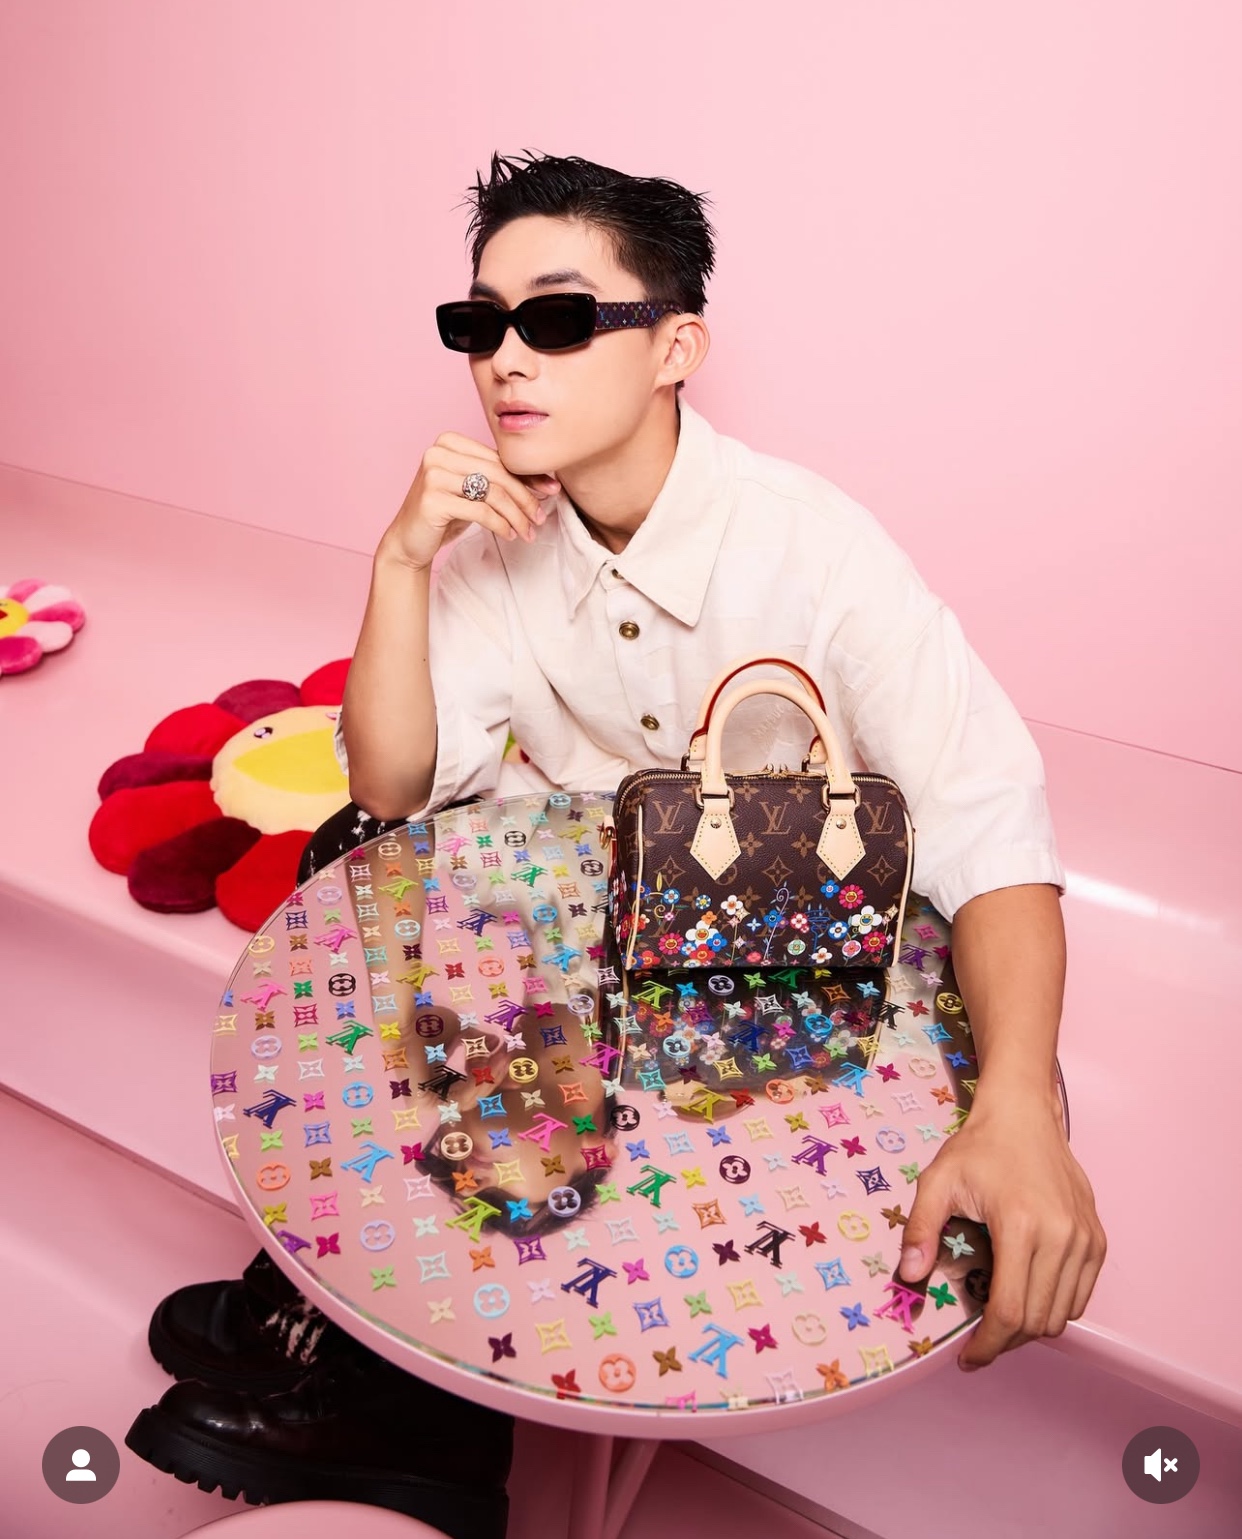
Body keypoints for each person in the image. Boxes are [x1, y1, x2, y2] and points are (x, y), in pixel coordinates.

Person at [127, 151, 1106, 1526]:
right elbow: (395, 785)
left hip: (778, 958)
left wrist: (1016, 1112)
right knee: (350, 845)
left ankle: (396, 1398)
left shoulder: (814, 547)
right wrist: (399, 561)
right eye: (479, 324)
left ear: (675, 349)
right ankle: (373, 1355)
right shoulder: (495, 549)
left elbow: (987, 822)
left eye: (558, 317)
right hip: (575, 945)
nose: (504, 360)